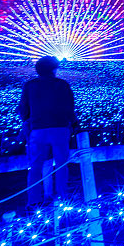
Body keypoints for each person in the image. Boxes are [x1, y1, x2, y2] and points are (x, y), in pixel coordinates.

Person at [17, 56, 77, 206]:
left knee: (36, 166)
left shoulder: (30, 85)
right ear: (54, 69)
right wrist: (74, 123)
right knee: (62, 164)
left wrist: (28, 121)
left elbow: (23, 108)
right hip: (60, 128)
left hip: (38, 130)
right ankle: (62, 196)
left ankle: (34, 200)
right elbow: (69, 107)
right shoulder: (62, 84)